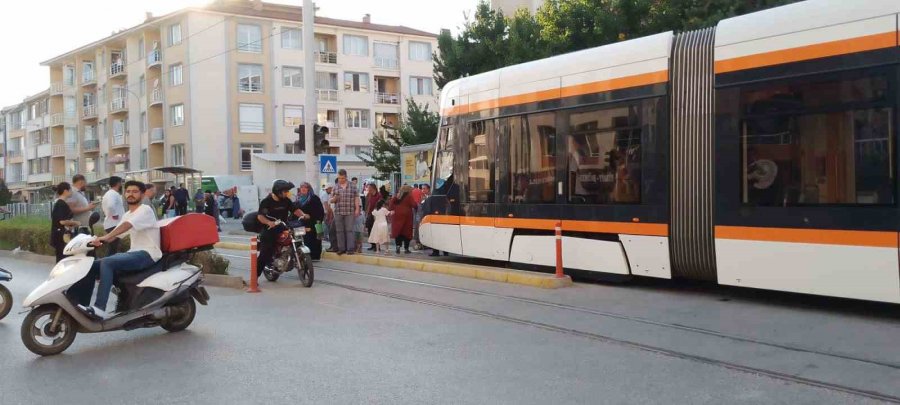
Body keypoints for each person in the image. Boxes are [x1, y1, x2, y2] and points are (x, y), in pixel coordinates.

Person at [78, 181, 161, 319]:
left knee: (108, 262)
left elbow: (127, 226)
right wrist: (95, 240)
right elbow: (116, 235)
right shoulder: (128, 213)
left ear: (142, 194)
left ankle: (99, 309)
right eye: (128, 191)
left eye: (135, 191)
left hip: (148, 253)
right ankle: (79, 303)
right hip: (134, 252)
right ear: (124, 194)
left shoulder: (145, 210)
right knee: (90, 265)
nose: (131, 194)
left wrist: (106, 236)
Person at [257, 180, 305, 278]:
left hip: (283, 226)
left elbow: (295, 210)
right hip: (269, 229)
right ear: (278, 191)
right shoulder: (266, 201)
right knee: (266, 252)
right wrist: (269, 222)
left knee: (297, 238)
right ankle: (255, 277)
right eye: (285, 191)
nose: (287, 193)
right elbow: (260, 216)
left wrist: (304, 215)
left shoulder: (286, 200)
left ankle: (292, 257)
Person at [331, 169, 360, 255]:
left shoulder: (353, 186)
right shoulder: (335, 187)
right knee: (339, 231)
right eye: (339, 178)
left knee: (349, 230)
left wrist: (357, 209)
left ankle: (350, 248)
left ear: (346, 177)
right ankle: (341, 248)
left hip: (350, 211)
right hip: (338, 211)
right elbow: (331, 200)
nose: (341, 180)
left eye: (342, 178)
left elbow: (356, 198)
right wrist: (334, 199)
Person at [51, 182, 80, 263]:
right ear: (65, 191)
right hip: (61, 237)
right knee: (62, 259)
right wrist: (76, 223)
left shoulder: (61, 203)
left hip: (63, 236)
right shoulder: (61, 204)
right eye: (70, 190)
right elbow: (62, 221)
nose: (71, 192)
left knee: (63, 258)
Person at [295, 182, 325, 260]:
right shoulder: (298, 199)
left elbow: (320, 211)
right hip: (301, 223)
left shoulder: (314, 198)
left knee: (314, 240)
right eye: (302, 187)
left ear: (309, 189)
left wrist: (317, 220)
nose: (303, 189)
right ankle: (303, 256)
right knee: (301, 239)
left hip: (313, 223)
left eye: (305, 187)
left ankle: (314, 256)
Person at [389, 185, 417, 254]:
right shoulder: (409, 196)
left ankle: (398, 247)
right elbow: (414, 205)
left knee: (398, 232)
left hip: (396, 216)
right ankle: (406, 249)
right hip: (407, 217)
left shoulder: (396, 196)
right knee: (406, 233)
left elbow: (390, 206)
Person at [101, 176, 125, 256]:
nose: (122, 185)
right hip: (114, 224)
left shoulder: (109, 193)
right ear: (118, 183)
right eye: (121, 182)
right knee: (113, 248)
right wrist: (115, 215)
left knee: (113, 248)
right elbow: (111, 206)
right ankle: (108, 264)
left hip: (112, 223)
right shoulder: (113, 194)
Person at [364, 183, 381, 251]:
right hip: (370, 214)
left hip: (376, 215)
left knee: (376, 231)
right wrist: (366, 213)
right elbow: (367, 204)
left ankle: (377, 246)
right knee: (370, 230)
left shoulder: (379, 196)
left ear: (373, 188)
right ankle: (372, 245)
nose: (368, 189)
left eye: (369, 187)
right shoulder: (369, 195)